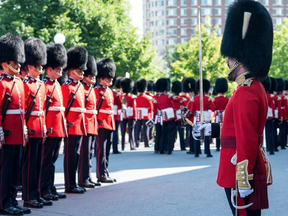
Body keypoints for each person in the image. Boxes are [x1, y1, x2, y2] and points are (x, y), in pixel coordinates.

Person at [199, 0, 273, 215]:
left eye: (229, 57)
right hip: (239, 164)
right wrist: (208, 129)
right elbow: (232, 130)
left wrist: (244, 177)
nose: (227, 62)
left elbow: (246, 138)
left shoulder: (246, 91)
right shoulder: (251, 88)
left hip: (237, 169)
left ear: (240, 58)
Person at [0, 33, 31, 215]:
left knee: (15, 169)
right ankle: (4, 203)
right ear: (5, 63)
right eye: (15, 62)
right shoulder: (2, 84)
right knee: (5, 170)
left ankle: (12, 200)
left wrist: (25, 128)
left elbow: (24, 109)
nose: (19, 65)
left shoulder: (19, 82)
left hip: (18, 132)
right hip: (7, 132)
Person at [22, 38, 53, 208]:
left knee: (37, 163)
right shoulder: (25, 84)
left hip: (40, 127)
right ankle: (28, 196)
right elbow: (24, 109)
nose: (40, 69)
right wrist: (26, 128)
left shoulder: (41, 85)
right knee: (29, 164)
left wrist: (44, 128)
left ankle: (36, 193)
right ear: (29, 66)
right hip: (30, 127)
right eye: (37, 66)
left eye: (41, 66)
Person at [40, 43, 68, 200]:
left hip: (58, 127)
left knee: (53, 159)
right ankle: (44, 188)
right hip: (50, 127)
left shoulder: (57, 84)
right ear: (49, 69)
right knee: (47, 160)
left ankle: (50, 186)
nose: (60, 70)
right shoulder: (45, 85)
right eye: (57, 68)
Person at [62, 46, 87, 194]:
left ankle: (74, 182)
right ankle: (69, 184)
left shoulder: (80, 87)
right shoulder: (66, 87)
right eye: (79, 70)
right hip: (71, 125)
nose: (82, 72)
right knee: (70, 156)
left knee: (76, 155)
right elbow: (64, 108)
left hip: (79, 125)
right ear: (71, 70)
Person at [78, 55, 101, 188]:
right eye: (90, 75)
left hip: (92, 123)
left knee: (90, 151)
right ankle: (83, 178)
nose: (92, 77)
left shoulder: (91, 89)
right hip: (85, 123)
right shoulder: (83, 88)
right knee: (85, 153)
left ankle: (88, 176)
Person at [95, 58, 117, 183]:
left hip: (109, 122)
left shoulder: (109, 91)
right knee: (101, 150)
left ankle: (105, 171)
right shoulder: (97, 91)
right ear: (101, 78)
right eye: (108, 78)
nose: (110, 80)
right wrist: (99, 121)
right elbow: (96, 108)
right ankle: (101, 174)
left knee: (107, 149)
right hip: (102, 123)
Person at [154, 78, 176, 154]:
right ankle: (168, 149)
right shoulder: (169, 97)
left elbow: (158, 108)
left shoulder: (158, 99)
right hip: (171, 116)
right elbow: (174, 104)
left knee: (164, 133)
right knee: (170, 133)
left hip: (163, 116)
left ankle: (161, 149)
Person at [135, 79, 153, 148]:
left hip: (138, 116)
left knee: (137, 130)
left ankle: (137, 143)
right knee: (146, 130)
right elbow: (151, 108)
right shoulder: (148, 98)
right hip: (146, 116)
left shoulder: (136, 98)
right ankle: (146, 143)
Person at [120, 78, 136, 150]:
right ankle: (132, 145)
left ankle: (122, 146)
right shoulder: (131, 97)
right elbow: (134, 107)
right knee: (131, 130)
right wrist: (134, 116)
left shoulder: (121, 97)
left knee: (123, 131)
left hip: (123, 115)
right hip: (130, 114)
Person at [213, 78, 229, 151]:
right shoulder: (227, 99)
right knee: (223, 130)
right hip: (225, 115)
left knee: (217, 129)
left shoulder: (215, 99)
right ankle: (223, 144)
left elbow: (213, 108)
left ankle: (217, 146)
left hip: (217, 115)